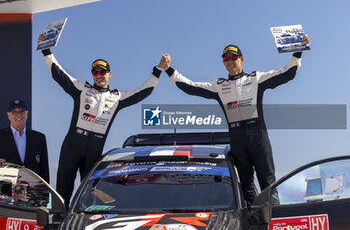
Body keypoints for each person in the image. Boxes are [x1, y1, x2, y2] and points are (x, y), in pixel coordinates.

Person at [161, 35, 310, 205]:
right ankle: (252, 220)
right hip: (237, 137)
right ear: (223, 63)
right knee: (244, 184)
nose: (230, 61)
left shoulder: (256, 78)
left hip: (258, 135)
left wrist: (299, 50)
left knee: (268, 182)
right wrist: (169, 70)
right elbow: (190, 87)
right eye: (226, 59)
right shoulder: (219, 86)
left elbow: (287, 74)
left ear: (241, 59)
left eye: (233, 57)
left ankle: (274, 218)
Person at [37, 35, 165, 208]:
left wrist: (157, 70)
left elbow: (143, 91)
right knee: (63, 192)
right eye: (95, 72)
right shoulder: (82, 89)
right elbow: (59, 74)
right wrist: (46, 50)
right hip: (71, 148)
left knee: (91, 194)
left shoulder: (117, 97)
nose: (98, 75)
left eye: (102, 72)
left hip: (93, 152)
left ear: (109, 74)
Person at [0, 100, 50, 183]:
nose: (18, 114)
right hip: (5, 192)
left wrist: (45, 192)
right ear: (8, 115)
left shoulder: (39, 138)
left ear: (27, 113)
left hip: (32, 192)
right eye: (14, 112)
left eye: (21, 111)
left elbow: (44, 170)